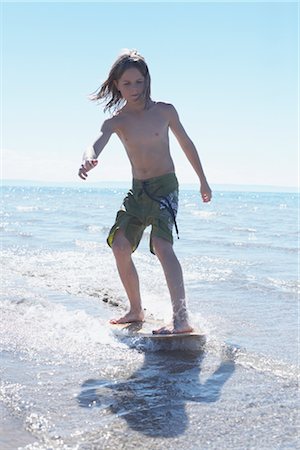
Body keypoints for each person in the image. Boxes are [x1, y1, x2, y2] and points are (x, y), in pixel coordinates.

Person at [78, 49, 212, 334]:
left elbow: (187, 144)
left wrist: (203, 180)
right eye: (127, 84)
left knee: (163, 246)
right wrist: (87, 159)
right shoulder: (116, 121)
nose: (134, 89)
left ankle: (181, 319)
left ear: (147, 80)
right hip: (137, 191)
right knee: (120, 245)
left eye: (139, 82)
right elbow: (96, 142)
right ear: (117, 85)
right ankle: (135, 309)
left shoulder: (164, 111)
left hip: (165, 188)